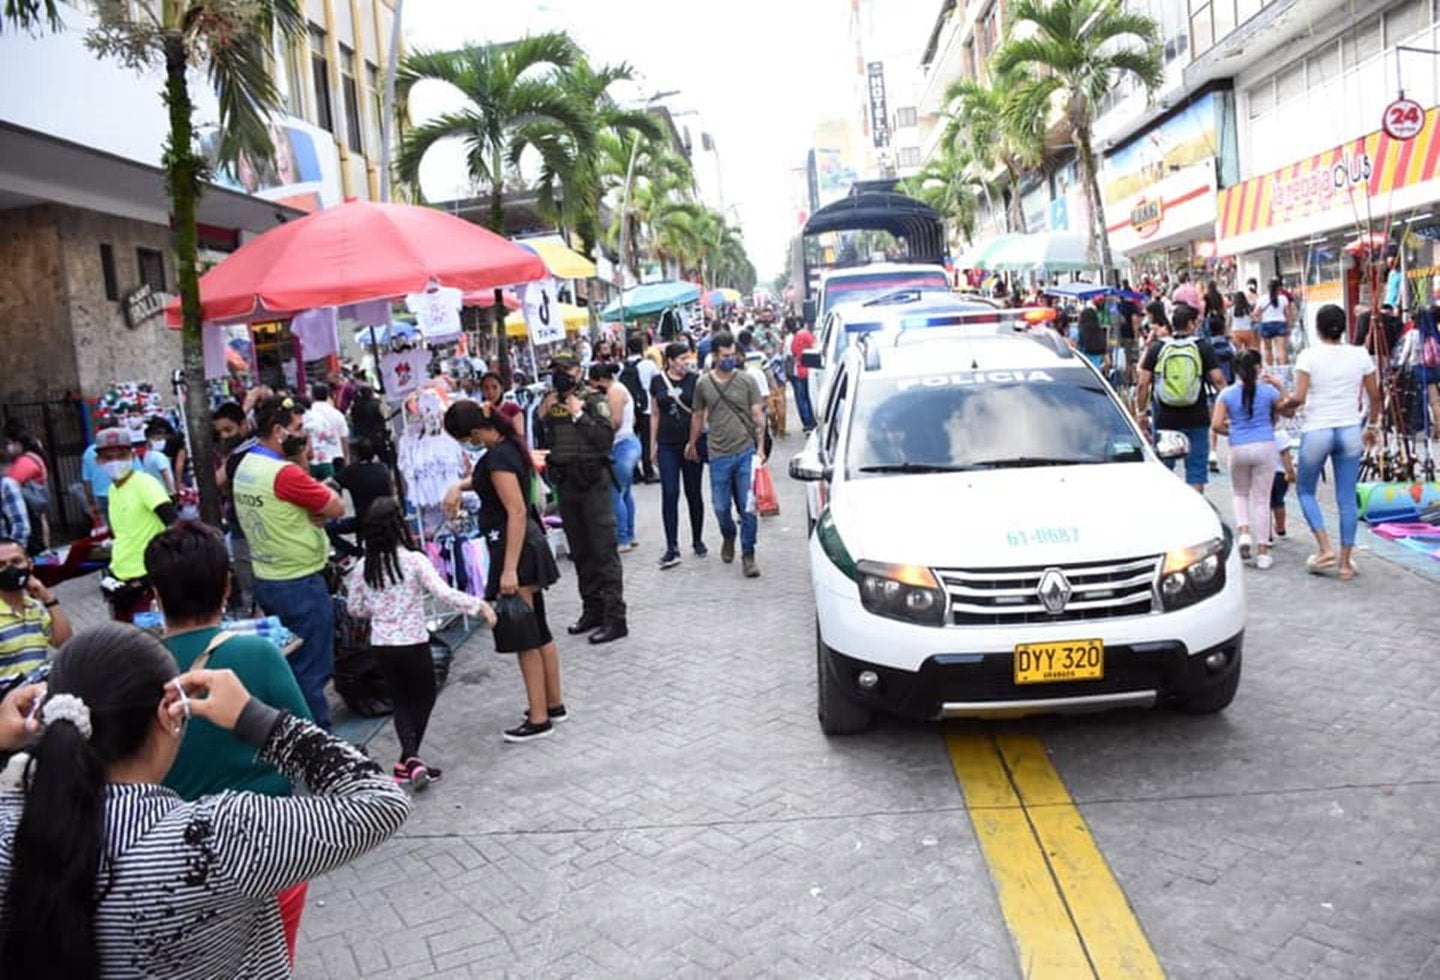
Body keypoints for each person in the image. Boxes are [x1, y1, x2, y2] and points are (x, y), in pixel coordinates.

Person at [0, 625, 409, 978]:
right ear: (168, 712)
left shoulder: (11, 830)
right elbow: (379, 799)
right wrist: (257, 719)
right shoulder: (216, 838)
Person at [144, 521, 314, 961]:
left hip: (177, 859)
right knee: (271, 960)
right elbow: (306, 742)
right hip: (272, 849)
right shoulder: (257, 655)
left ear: (156, 595)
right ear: (226, 587)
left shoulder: (139, 670)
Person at [443, 400, 565, 742]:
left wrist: (509, 570)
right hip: (525, 547)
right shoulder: (508, 446)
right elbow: (486, 483)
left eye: (466, 439)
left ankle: (539, 718)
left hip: (517, 552)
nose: (467, 445)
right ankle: (553, 703)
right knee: (539, 630)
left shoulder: (497, 456)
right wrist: (457, 486)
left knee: (525, 636)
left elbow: (516, 511)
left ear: (475, 432)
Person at [348, 498, 495, 778]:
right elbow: (444, 593)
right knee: (425, 696)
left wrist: (378, 610)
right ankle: (410, 759)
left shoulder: (363, 567)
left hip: (382, 645)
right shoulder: (414, 561)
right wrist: (479, 606)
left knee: (400, 701)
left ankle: (409, 762)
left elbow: (355, 608)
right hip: (413, 642)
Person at [232, 396, 346, 728]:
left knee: (291, 665)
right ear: (279, 431)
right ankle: (320, 747)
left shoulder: (247, 465)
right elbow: (336, 507)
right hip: (300, 583)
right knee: (312, 671)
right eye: (298, 429)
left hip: (268, 578)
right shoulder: (283, 474)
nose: (304, 435)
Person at [1274, 304, 1382, 581]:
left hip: (1318, 430)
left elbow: (1298, 398)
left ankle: (1324, 548)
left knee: (1305, 491)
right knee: (1346, 497)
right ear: (1343, 327)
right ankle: (1346, 563)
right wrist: (1372, 425)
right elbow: (1375, 396)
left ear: (1318, 329)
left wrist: (1283, 404)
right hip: (1349, 430)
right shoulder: (1360, 355)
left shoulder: (1308, 356)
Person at [537, 351, 627, 644]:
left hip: (593, 483)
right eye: (555, 370)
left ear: (578, 371)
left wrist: (578, 413)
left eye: (564, 369)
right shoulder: (550, 402)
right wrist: (544, 416)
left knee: (604, 551)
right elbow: (545, 442)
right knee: (581, 552)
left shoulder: (592, 399)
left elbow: (604, 440)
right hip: (567, 483)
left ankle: (616, 619)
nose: (559, 375)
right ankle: (592, 610)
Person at [688, 331, 766, 579]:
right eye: (725, 356)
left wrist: (761, 446)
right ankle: (728, 534)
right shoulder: (703, 384)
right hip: (718, 454)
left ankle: (748, 553)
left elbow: (757, 415)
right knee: (720, 507)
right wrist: (691, 443)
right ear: (714, 355)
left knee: (748, 507)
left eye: (733, 355)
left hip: (745, 451)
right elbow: (698, 415)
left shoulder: (747, 381)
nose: (730, 359)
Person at [1135, 306, 1229, 493]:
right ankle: (1196, 511)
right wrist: (1230, 407)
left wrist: (1141, 412)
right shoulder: (1202, 347)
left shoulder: (1158, 347)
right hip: (1197, 417)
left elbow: (1143, 384)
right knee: (1195, 472)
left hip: (1165, 418)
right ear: (1190, 324)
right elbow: (1218, 380)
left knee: (1165, 469)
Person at [1212, 350, 1288, 570]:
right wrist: (1279, 385)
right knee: (1262, 500)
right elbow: (1288, 410)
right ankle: (1263, 551)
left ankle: (1244, 532)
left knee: (1240, 494)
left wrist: (1234, 432)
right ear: (1258, 368)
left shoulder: (1226, 394)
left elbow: (1216, 425)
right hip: (1265, 446)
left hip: (1238, 447)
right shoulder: (1269, 393)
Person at [96, 427, 177, 621]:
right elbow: (123, 536)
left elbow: (174, 526)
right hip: (121, 579)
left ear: (132, 456)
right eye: (108, 457)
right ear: (99, 461)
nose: (115, 462)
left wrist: (150, 578)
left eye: (121, 455)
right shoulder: (112, 492)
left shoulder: (145, 484)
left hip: (146, 583)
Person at [650, 341, 707, 569]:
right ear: (671, 361)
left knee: (693, 492)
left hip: (691, 444)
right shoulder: (657, 382)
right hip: (667, 444)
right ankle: (671, 546)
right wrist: (651, 444)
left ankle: (697, 539)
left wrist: (694, 442)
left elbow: (701, 413)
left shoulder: (696, 380)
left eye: (688, 358)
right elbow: (654, 414)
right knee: (670, 492)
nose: (686, 362)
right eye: (682, 358)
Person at [0, 536, 70, 690]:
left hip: (37, 699)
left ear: (29, 564)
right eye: (1, 565)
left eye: (16, 562)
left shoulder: (34, 607)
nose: (10, 569)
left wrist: (48, 598)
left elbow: (64, 643)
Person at [589, 363, 642, 552]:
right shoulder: (621, 388)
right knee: (625, 492)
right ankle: (630, 533)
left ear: (601, 380)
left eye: (594, 384)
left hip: (621, 446)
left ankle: (622, 538)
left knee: (614, 493)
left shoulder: (614, 392)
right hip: (629, 442)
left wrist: (599, 438)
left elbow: (615, 421)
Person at [619, 334, 658, 484]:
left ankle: (634, 472)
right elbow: (657, 381)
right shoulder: (649, 365)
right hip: (646, 407)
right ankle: (648, 471)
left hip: (628, 408)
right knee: (646, 439)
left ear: (628, 349)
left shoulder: (621, 367)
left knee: (631, 438)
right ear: (642, 348)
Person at [6, 434, 49, 555]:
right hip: (32, 506)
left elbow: (13, 480)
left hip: (28, 506)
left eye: (11, 443)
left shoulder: (25, 460)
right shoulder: (32, 457)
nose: (10, 447)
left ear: (19, 443)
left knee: (36, 538)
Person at [304, 382, 350, 481]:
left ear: (312, 396)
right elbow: (344, 438)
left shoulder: (309, 414)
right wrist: (346, 458)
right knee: (335, 491)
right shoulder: (337, 414)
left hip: (317, 460)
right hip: (337, 457)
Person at [789, 317, 818, 434]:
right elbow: (816, 348)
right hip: (810, 371)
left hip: (800, 371)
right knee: (810, 397)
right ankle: (812, 422)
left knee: (803, 398)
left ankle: (807, 424)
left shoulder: (794, 338)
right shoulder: (806, 335)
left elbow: (794, 353)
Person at [1257, 277, 1293, 367]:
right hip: (1280, 324)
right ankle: (1283, 370)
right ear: (1278, 288)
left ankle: (1270, 369)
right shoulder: (1283, 298)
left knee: (1268, 349)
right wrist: (1289, 326)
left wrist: (1259, 319)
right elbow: (1287, 314)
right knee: (1281, 350)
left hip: (1266, 325)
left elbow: (1256, 313)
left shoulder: (1262, 299)